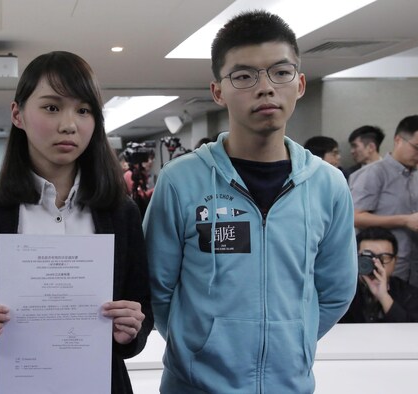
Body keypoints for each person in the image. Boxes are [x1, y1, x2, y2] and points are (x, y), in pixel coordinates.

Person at [143, 10, 357, 393]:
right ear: (218, 91)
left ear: (300, 83)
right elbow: (156, 290)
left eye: (280, 72)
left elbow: (336, 289)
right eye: (244, 76)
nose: (265, 88)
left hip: (289, 385)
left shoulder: (328, 185)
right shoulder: (181, 181)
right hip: (194, 386)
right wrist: (199, 347)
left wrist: (292, 343)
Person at [0, 51, 153, 394]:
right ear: (17, 114)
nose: (69, 124)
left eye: (83, 110)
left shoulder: (120, 213)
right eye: (52, 107)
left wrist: (132, 330)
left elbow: (140, 306)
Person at [349, 115, 418, 288]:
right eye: (417, 147)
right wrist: (404, 220)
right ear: (398, 140)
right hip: (379, 271)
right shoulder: (373, 173)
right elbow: (354, 217)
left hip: (413, 268)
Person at [340, 227, 418, 323]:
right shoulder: (342, 293)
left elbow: (414, 332)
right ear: (355, 258)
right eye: (368, 257)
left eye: (384, 257)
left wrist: (384, 297)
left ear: (395, 261)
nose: (376, 264)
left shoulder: (410, 294)